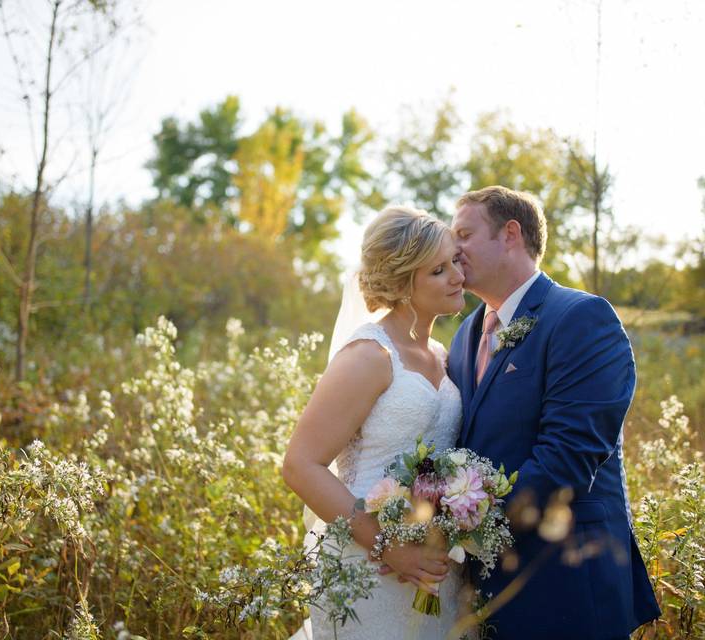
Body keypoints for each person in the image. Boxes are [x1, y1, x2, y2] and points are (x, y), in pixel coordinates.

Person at [446, 185, 661, 640]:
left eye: (464, 234)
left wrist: (458, 534)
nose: (453, 248)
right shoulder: (465, 332)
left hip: (564, 585)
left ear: (510, 234)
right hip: (481, 595)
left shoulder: (582, 318)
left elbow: (567, 457)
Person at [282, 205, 469, 639]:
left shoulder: (441, 355)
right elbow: (300, 464)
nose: (458, 277)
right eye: (438, 271)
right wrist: (391, 547)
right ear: (403, 284)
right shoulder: (369, 355)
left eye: (455, 261)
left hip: (434, 565)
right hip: (369, 563)